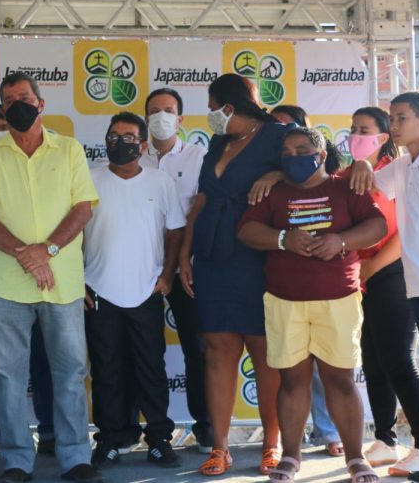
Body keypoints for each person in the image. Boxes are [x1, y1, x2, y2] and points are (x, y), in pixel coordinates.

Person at [0, 72, 102, 483]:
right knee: (8, 376)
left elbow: (82, 209)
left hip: (62, 282)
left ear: (41, 104)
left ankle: (76, 457)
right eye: (9, 101)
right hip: (4, 286)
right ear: (1, 109)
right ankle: (16, 462)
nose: (17, 105)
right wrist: (27, 256)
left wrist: (48, 251)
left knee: (70, 371)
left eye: (24, 98)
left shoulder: (69, 149)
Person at [238, 126, 386, 483]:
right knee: (292, 382)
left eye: (301, 150)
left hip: (338, 299)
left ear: (320, 155)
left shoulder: (345, 187)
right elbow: (246, 231)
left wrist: (341, 241)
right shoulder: (272, 191)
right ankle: (291, 456)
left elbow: (378, 226)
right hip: (285, 301)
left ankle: (355, 457)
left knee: (341, 382)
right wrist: (283, 239)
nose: (293, 157)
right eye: (286, 153)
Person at [178, 73, 282, 477]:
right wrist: (185, 254)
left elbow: (317, 160)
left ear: (229, 105)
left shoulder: (278, 134)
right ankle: (220, 448)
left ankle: (271, 444)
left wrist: (277, 175)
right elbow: (202, 200)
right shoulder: (218, 142)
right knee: (218, 350)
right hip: (212, 258)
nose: (210, 114)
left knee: (265, 353)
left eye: (211, 106)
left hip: (257, 258)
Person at [351, 91, 419, 483]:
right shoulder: (403, 165)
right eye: (391, 118)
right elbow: (361, 187)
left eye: (402, 118)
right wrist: (361, 160)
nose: (394, 125)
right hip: (418, 286)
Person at [84, 112, 184, 470]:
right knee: (106, 370)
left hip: (146, 291)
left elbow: (175, 231)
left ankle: (159, 439)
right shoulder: (88, 180)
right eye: (113, 136)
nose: (119, 143)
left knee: (151, 368)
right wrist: (78, 280)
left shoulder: (160, 182)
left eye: (128, 137)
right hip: (99, 291)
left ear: (143, 145)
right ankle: (109, 440)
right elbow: (72, 233)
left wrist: (167, 275)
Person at [0, 104, 56, 462]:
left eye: (5, 125)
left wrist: (38, 258)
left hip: (48, 279)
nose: (0, 131)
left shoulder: (49, 165)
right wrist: (19, 256)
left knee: (46, 359)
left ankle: (51, 433)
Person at [270, 104, 344, 459]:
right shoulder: (271, 176)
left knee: (330, 372)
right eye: (279, 133)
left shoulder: (338, 176)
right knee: (292, 373)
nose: (292, 153)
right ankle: (288, 449)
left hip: (333, 289)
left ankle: (330, 432)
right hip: (284, 286)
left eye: (292, 130)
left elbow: (371, 220)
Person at [141, 88, 211, 452]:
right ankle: (152, 433)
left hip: (187, 267)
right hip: (141, 269)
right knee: (144, 353)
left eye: (168, 110)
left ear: (180, 118)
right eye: (154, 111)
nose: (161, 117)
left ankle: (207, 427)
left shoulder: (199, 157)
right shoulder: (134, 158)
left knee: (197, 351)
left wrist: (183, 259)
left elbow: (201, 211)